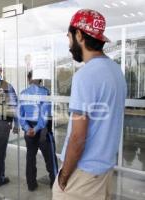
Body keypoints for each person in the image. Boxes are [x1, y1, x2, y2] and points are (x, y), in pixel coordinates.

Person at [52, 9, 127, 200]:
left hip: (82, 177)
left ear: (79, 35)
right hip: (104, 172)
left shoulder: (85, 76)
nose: (69, 45)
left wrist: (64, 175)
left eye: (69, 37)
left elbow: (78, 137)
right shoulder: (116, 72)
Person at [19, 71, 58, 191]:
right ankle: (55, 185)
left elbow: (20, 115)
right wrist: (36, 129)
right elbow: (45, 115)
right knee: (50, 158)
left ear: (29, 79)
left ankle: (31, 184)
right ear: (39, 78)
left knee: (30, 157)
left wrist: (27, 128)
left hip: (29, 129)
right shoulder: (44, 92)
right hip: (42, 130)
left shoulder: (23, 93)